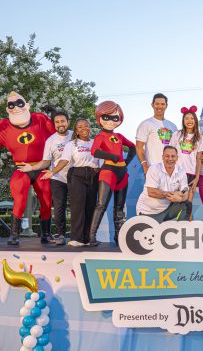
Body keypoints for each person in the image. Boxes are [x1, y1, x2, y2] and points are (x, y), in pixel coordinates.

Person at [0, 91, 56, 245]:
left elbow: (56, 131)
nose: (16, 108)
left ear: (27, 105)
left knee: (47, 199)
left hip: (40, 165)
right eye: (11, 105)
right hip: (22, 167)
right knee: (19, 197)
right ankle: (14, 234)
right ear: (7, 109)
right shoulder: (3, 125)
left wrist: (54, 113)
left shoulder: (39, 119)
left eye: (19, 103)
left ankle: (46, 233)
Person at [42, 118, 100, 247]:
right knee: (78, 207)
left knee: (90, 207)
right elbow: (64, 161)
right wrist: (52, 172)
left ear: (90, 127)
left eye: (86, 126)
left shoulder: (95, 142)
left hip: (93, 175)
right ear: (76, 130)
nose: (84, 128)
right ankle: (76, 238)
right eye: (80, 127)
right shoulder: (72, 144)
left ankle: (87, 238)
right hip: (77, 175)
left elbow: (101, 159)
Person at [19, 111, 73, 245]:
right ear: (54, 124)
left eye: (63, 121)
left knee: (77, 208)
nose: (60, 124)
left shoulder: (74, 135)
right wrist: (31, 168)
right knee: (59, 208)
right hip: (57, 177)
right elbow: (46, 162)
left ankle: (79, 236)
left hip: (75, 177)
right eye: (57, 122)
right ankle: (61, 235)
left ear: (68, 122)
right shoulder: (51, 140)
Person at [87, 101, 136, 246]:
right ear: (100, 118)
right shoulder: (100, 136)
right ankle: (92, 237)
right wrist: (112, 157)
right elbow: (94, 151)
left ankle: (118, 237)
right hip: (108, 172)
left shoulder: (120, 136)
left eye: (115, 118)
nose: (110, 121)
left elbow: (132, 147)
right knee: (101, 204)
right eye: (106, 117)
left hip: (122, 173)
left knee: (119, 207)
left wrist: (127, 161)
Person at [136, 146, 191, 222]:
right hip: (147, 212)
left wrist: (180, 198)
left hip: (166, 211)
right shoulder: (154, 169)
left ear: (177, 158)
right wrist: (172, 194)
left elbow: (185, 192)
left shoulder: (181, 171)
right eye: (167, 156)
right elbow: (151, 192)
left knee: (187, 204)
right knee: (152, 232)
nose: (170, 159)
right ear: (162, 157)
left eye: (173, 156)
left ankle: (181, 230)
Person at [135, 93, 177, 175]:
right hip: (153, 169)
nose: (159, 107)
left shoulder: (173, 126)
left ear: (166, 106)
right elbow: (139, 147)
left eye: (162, 104)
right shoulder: (146, 124)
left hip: (170, 170)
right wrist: (145, 166)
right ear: (152, 105)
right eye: (157, 104)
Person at [169, 105, 203, 202]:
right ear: (183, 121)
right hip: (176, 173)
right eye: (187, 118)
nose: (189, 121)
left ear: (196, 121)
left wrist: (197, 177)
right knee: (174, 202)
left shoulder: (200, 138)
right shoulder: (176, 134)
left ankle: (188, 218)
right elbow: (171, 155)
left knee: (188, 203)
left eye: (192, 118)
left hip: (191, 174)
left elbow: (199, 159)